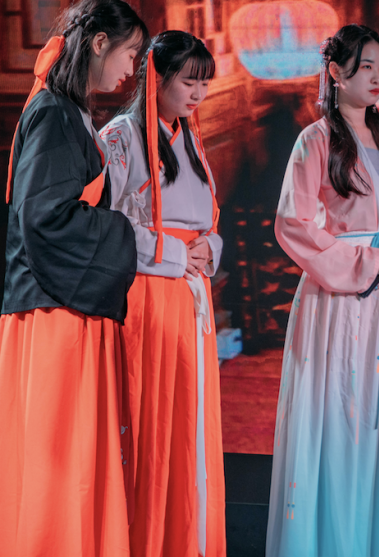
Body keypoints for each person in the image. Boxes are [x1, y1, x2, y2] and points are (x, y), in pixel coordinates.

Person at [266, 24, 379, 557]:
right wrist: (362, 261)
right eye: (365, 67)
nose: (377, 77)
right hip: (337, 298)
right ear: (336, 72)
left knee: (378, 424)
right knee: (337, 418)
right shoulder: (315, 141)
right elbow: (293, 222)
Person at [0, 0, 147, 556]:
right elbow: (44, 216)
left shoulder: (68, 110)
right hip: (52, 310)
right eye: (129, 53)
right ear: (100, 43)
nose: (131, 69)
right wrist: (128, 234)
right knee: (60, 461)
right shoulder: (56, 113)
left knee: (75, 460)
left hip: (64, 301)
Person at [100, 31, 226, 557]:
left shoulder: (190, 137)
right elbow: (107, 222)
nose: (198, 94)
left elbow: (208, 220)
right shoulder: (121, 136)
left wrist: (207, 248)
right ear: (156, 76)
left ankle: (188, 539)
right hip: (150, 293)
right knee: (154, 422)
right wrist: (175, 254)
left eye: (204, 84)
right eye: (188, 82)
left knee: (192, 419)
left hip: (191, 292)